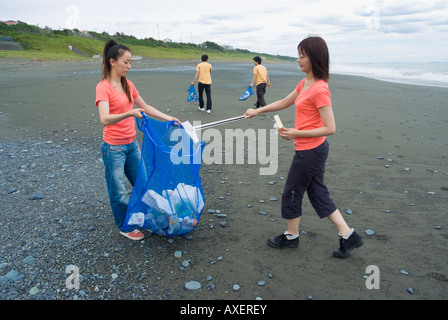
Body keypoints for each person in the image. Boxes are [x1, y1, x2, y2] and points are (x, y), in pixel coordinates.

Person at [244, 36, 363, 258]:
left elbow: (331, 128)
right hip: (311, 149)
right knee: (318, 193)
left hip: (311, 151)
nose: (298, 59)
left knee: (291, 191)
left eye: (302, 55)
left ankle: (291, 236)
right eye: (298, 54)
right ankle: (348, 235)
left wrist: (297, 133)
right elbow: (284, 102)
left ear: (314, 58)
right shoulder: (304, 83)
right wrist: (257, 111)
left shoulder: (320, 89)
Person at [95, 39, 180, 241]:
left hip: (131, 145)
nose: (129, 66)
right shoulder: (103, 87)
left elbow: (145, 107)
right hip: (113, 148)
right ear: (112, 61)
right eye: (126, 62)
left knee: (142, 183)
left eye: (130, 62)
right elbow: (104, 119)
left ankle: (144, 217)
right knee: (118, 190)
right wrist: (130, 113)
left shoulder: (128, 85)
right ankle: (124, 225)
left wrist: (169, 118)